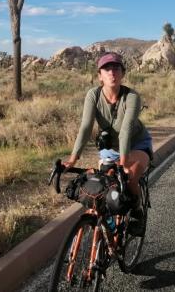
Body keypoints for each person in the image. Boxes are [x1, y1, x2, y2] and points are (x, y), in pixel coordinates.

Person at [63, 52, 152, 234]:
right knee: (102, 187)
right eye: (107, 68)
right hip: (110, 149)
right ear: (100, 75)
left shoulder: (131, 97)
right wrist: (73, 159)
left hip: (136, 145)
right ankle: (109, 227)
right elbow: (86, 127)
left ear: (122, 73)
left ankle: (137, 212)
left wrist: (124, 162)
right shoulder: (93, 95)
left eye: (116, 68)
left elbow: (126, 130)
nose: (112, 72)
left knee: (130, 175)